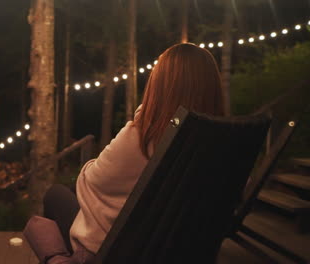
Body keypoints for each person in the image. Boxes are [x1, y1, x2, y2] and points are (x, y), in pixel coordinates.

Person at [43, 43, 225, 258]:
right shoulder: (219, 141)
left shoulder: (143, 136)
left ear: (161, 85)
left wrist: (144, 113)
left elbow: (93, 179)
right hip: (181, 250)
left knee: (54, 195)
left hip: (127, 251)